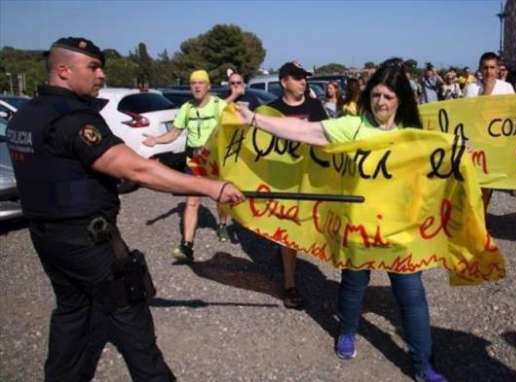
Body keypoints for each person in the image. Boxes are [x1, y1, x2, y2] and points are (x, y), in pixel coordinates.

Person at [6, 37, 244, 382]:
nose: (101, 75)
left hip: (47, 237)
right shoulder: (73, 119)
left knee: (73, 311)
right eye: (93, 67)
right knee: (129, 314)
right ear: (63, 70)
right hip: (87, 239)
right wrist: (213, 187)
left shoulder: (26, 115)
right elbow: (137, 170)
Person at [236, 58, 447, 382]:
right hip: (358, 229)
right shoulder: (353, 127)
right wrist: (255, 121)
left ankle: (423, 366)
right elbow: (305, 130)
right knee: (353, 285)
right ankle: (347, 332)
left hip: (400, 233)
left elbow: (444, 162)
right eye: (376, 95)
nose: (380, 102)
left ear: (400, 100)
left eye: (388, 97)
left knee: (412, 297)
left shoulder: (413, 135)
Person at [143, 70, 231, 258]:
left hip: (215, 161)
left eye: (201, 83)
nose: (197, 86)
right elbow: (174, 133)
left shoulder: (219, 106)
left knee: (221, 198)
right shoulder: (186, 108)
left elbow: (232, 129)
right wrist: (156, 140)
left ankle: (222, 225)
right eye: (193, 83)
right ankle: (187, 245)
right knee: (191, 202)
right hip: (194, 161)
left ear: (208, 86)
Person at [266, 61, 328, 309]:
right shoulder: (270, 110)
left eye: (305, 77)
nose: (303, 81)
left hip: (310, 180)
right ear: (284, 82)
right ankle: (290, 286)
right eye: (297, 77)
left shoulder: (314, 105)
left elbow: (325, 137)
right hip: (282, 180)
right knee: (288, 232)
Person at [463, 52, 515, 211]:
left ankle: (482, 215)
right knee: (476, 183)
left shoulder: (507, 87)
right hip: (477, 142)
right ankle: (476, 215)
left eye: (492, 67)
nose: (489, 71)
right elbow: (469, 115)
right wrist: (487, 91)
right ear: (480, 69)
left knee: (489, 184)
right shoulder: (472, 88)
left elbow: (513, 113)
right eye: (485, 67)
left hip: (498, 143)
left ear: (498, 69)